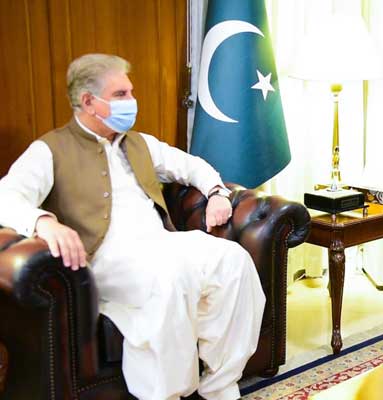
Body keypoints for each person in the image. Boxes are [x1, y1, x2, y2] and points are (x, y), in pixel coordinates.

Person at [0, 53, 265, 400]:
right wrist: (44, 221)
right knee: (168, 279)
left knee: (233, 261)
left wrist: (216, 192)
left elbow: (192, 166)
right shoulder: (50, 149)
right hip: (105, 258)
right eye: (121, 94)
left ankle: (219, 386)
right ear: (88, 102)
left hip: (160, 242)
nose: (131, 101)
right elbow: (6, 196)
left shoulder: (140, 143)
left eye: (131, 92)